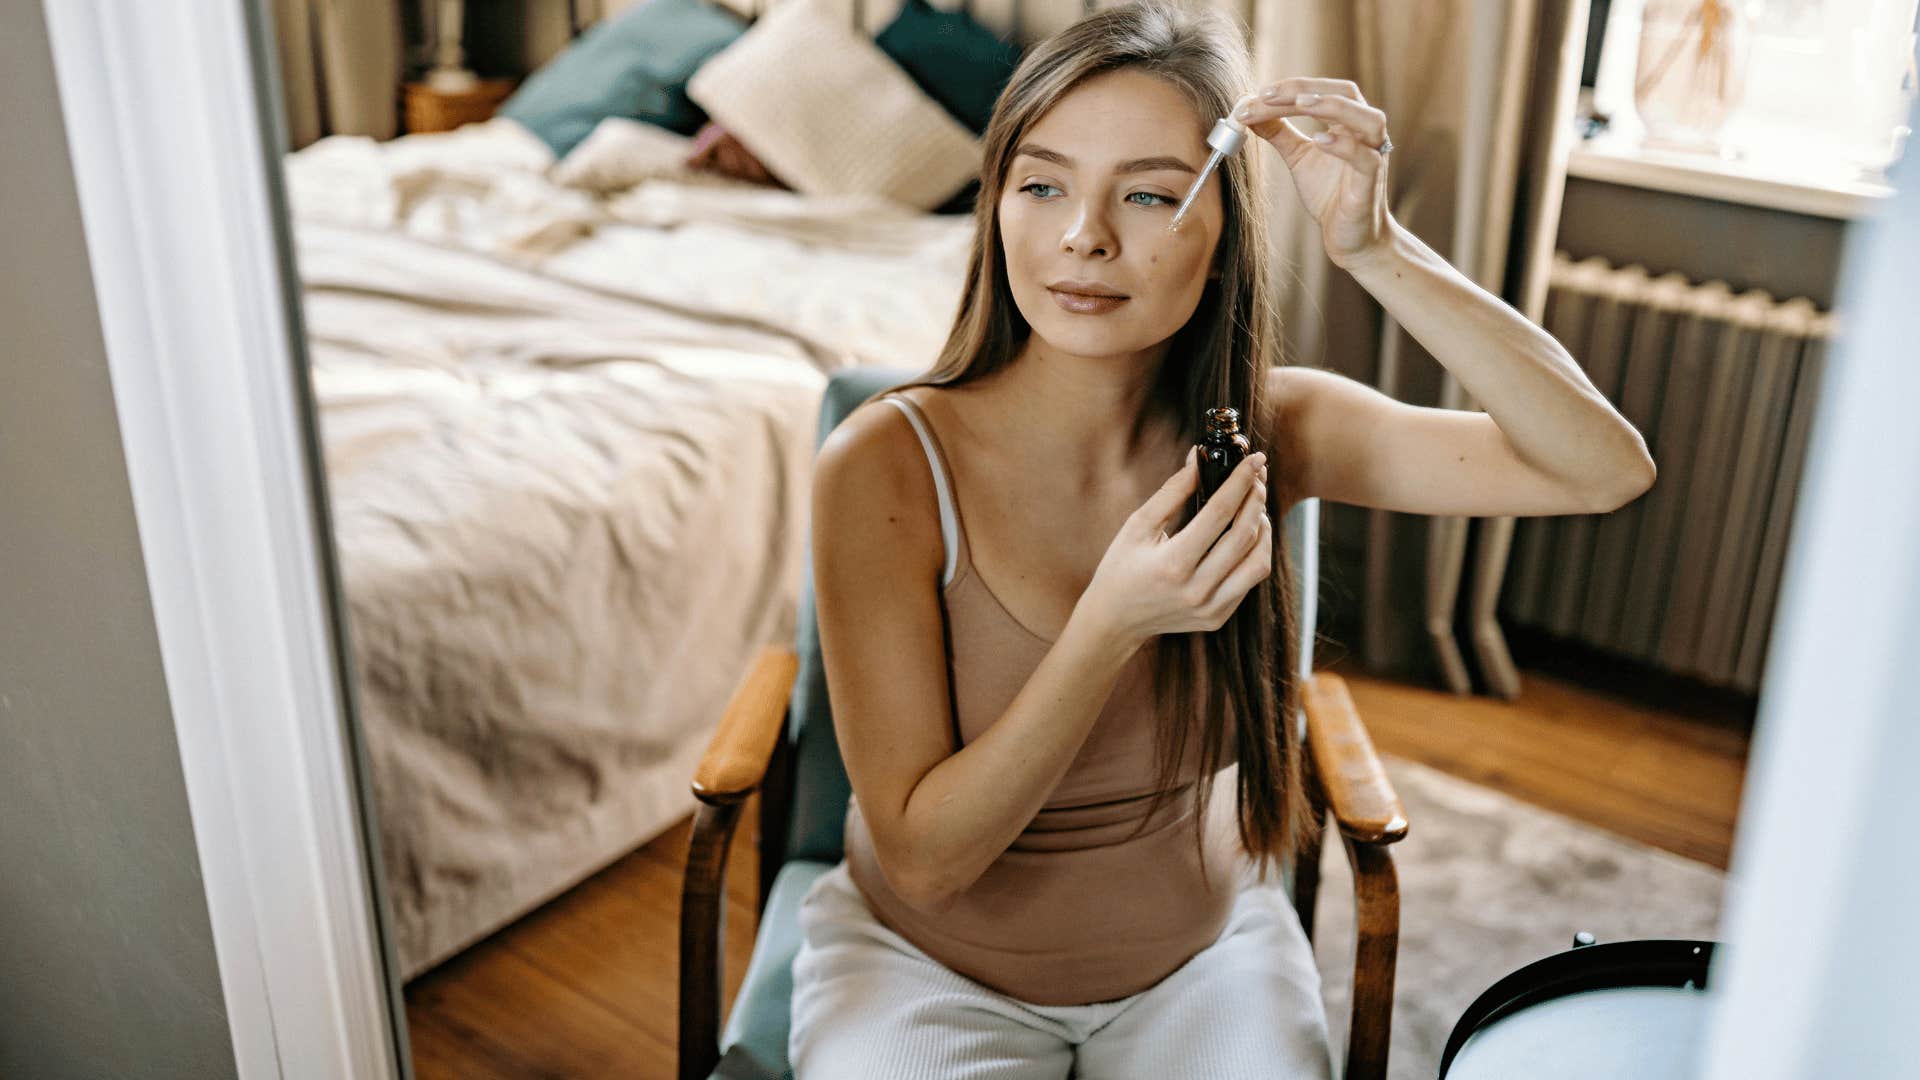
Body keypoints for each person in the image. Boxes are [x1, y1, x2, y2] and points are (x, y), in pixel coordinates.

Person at [795, 2, 1657, 1077]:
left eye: (1150, 193)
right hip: (922, 972)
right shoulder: (885, 468)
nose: (1086, 237)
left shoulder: (1277, 429)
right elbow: (925, 864)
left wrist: (1375, 247)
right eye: (1043, 183)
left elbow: (1601, 467)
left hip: (1202, 966)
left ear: (1222, 238)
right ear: (997, 205)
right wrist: (1111, 627)